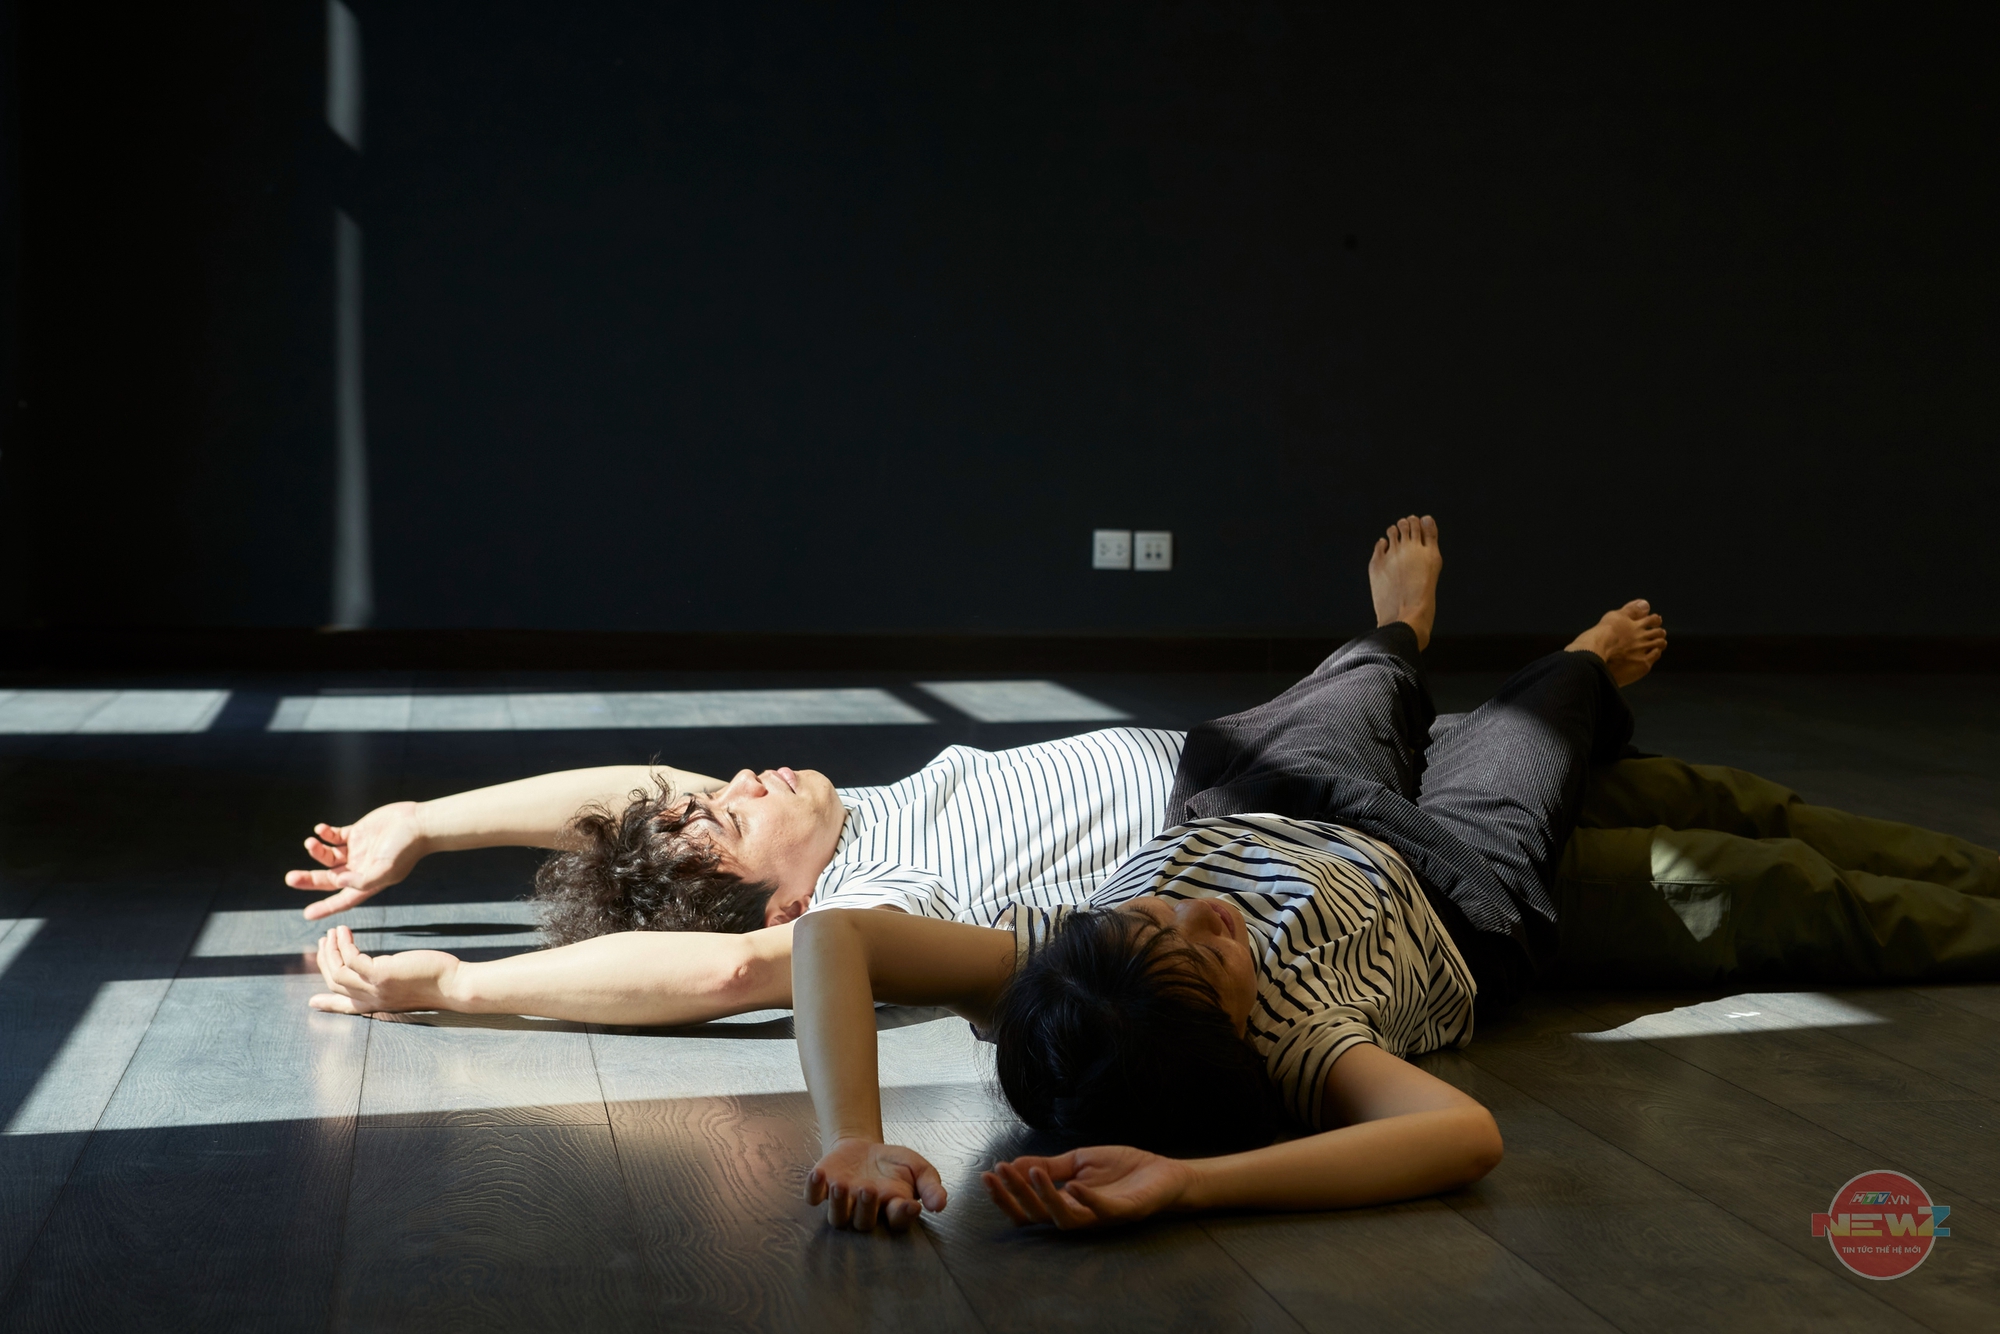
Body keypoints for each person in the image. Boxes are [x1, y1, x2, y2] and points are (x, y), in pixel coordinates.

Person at [296, 516, 2000, 1032]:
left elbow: (626, 782)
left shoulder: (866, 813)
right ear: (763, 893)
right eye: (719, 811)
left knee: (1730, 803)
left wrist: (424, 817)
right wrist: (462, 985)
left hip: (1332, 768)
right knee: (1755, 889)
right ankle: (1402, 653)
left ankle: (1405, 663)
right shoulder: (869, 902)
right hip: (1339, 865)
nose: (722, 773)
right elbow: (723, 971)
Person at [789, 529, 2000, 1235]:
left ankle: (1398, 640)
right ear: (1233, 1032)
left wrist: (852, 1136)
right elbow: (1460, 1134)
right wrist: (1192, 1183)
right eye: (1211, 951)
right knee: (1743, 858)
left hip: (1266, 800)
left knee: (1342, 703)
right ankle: (1567, 673)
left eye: (1153, 914)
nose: (1204, 911)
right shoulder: (1294, 1040)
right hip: (1452, 884)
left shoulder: (1063, 964)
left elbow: (832, 939)